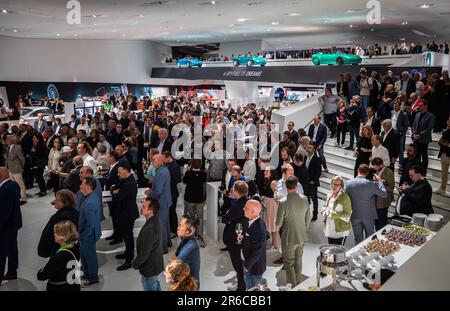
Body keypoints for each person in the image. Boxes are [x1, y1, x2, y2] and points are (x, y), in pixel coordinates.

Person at [276, 176, 310, 287]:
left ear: (286, 186)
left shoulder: (282, 202)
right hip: (301, 235)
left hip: (288, 237)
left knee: (288, 263)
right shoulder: (304, 199)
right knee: (298, 260)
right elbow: (307, 217)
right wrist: (304, 228)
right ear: (296, 185)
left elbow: (278, 223)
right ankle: (298, 283)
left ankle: (293, 286)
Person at [345, 164, 387, 244]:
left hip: (355, 214)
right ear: (367, 173)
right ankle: (367, 256)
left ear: (358, 170)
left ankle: (356, 255)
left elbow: (344, 198)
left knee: (357, 239)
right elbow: (384, 194)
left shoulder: (348, 183)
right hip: (368, 215)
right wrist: (380, 182)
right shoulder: (371, 184)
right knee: (369, 239)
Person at [37, 220, 81, 291]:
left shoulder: (59, 256)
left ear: (62, 236)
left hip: (60, 287)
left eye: (55, 233)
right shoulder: (75, 247)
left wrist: (41, 271)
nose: (53, 234)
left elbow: (42, 276)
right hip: (73, 283)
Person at [221, 181, 248, 291]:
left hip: (235, 236)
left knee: (237, 263)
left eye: (233, 189)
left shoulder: (237, 206)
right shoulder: (247, 201)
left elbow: (224, 218)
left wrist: (227, 213)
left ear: (236, 192)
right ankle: (241, 284)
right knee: (239, 262)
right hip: (242, 232)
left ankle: (241, 287)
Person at [132, 198, 164, 291]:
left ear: (150, 211)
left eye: (144, 207)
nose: (141, 208)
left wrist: (135, 264)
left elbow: (145, 253)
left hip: (149, 268)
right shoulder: (156, 219)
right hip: (154, 265)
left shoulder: (150, 228)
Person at [112, 165, 139, 271]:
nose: (118, 174)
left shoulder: (129, 183)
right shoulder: (125, 180)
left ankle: (129, 260)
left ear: (126, 171)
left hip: (128, 213)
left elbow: (117, 197)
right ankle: (127, 252)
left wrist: (115, 192)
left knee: (128, 237)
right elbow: (114, 187)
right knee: (126, 236)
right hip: (124, 212)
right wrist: (114, 190)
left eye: (119, 172)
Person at [38, 190, 79, 258]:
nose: (54, 201)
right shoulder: (74, 212)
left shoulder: (60, 217)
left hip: (58, 252)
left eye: (57, 199)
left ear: (65, 202)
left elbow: (53, 238)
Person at [237, 200, 267, 290]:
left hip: (253, 268)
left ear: (253, 211)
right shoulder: (251, 221)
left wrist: (246, 266)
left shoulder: (258, 228)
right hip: (249, 264)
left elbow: (257, 251)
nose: (243, 208)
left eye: (246, 207)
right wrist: (244, 238)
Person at [77, 177, 102, 286]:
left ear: (88, 187)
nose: (80, 186)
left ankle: (93, 278)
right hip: (87, 234)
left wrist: (83, 236)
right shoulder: (93, 197)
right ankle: (87, 273)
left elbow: (90, 224)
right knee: (84, 255)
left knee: (89, 256)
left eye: (82, 184)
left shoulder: (90, 202)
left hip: (88, 235)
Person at [0, 167, 22, 285]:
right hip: (14, 223)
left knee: (2, 251)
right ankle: (12, 271)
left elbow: (4, 212)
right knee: (12, 248)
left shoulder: (6, 190)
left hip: (6, 226)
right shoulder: (13, 184)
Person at [147, 154, 172, 254]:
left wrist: (150, 193)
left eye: (153, 160)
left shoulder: (161, 173)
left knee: (161, 225)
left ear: (160, 161)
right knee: (165, 223)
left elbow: (158, 191)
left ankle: (163, 247)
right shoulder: (163, 170)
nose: (152, 161)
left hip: (162, 202)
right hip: (165, 201)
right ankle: (168, 242)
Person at [182, 159, 207, 247]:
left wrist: (188, 169)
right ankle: (200, 235)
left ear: (191, 164)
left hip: (189, 199)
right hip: (199, 199)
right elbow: (204, 187)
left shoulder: (188, 173)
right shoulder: (204, 174)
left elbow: (184, 181)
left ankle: (191, 235)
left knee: (190, 218)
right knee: (200, 218)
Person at [321, 176, 352, 246]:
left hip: (340, 231)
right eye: (333, 184)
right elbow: (325, 206)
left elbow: (347, 214)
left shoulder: (345, 198)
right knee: (331, 250)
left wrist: (333, 214)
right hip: (329, 228)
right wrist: (323, 212)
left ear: (341, 186)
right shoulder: (329, 194)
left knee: (338, 253)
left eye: (337, 185)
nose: (334, 186)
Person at [174, 215, 201, 286]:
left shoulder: (190, 247)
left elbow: (175, 269)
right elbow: (175, 257)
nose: (178, 228)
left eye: (180, 226)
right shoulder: (184, 240)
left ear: (189, 231)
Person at [371, 158, 395, 231]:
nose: (375, 168)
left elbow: (391, 187)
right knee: (376, 221)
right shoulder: (378, 170)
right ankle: (377, 234)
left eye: (376, 166)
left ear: (381, 165)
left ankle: (384, 235)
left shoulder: (389, 173)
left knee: (382, 220)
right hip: (376, 200)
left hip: (383, 201)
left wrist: (380, 183)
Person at [412, 100, 435, 175]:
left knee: (424, 156)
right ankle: (417, 171)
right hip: (416, 139)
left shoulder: (430, 116)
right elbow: (414, 125)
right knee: (416, 155)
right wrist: (414, 133)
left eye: (421, 105)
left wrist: (420, 135)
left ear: (426, 106)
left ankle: (423, 172)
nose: (419, 107)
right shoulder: (417, 114)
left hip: (424, 139)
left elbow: (429, 129)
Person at [4, 135, 27, 204]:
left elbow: (22, 159)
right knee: (13, 184)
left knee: (20, 184)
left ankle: (23, 198)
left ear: (11, 141)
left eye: (7, 139)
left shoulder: (18, 147)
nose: (6, 141)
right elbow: (7, 158)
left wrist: (21, 168)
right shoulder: (7, 148)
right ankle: (16, 196)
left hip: (17, 169)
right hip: (9, 169)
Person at [163, 151, 181, 239]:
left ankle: (174, 231)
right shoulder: (169, 165)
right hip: (169, 192)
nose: (163, 160)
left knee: (172, 212)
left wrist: (165, 183)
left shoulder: (174, 166)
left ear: (168, 157)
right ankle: (171, 229)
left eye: (164, 158)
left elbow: (175, 180)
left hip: (173, 193)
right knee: (170, 212)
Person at [305, 143, 322, 221]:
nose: (308, 149)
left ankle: (315, 213)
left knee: (314, 199)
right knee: (306, 198)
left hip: (312, 183)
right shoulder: (305, 157)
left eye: (310, 148)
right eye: (308, 147)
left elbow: (319, 172)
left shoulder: (317, 159)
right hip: (305, 181)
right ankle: (306, 211)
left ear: (314, 149)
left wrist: (313, 181)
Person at [436, 117, 450, 194]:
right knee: (444, 173)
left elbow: (447, 144)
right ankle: (442, 188)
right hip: (444, 154)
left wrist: (448, 145)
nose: (447, 122)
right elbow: (441, 141)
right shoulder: (445, 132)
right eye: (448, 120)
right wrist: (440, 142)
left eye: (449, 121)